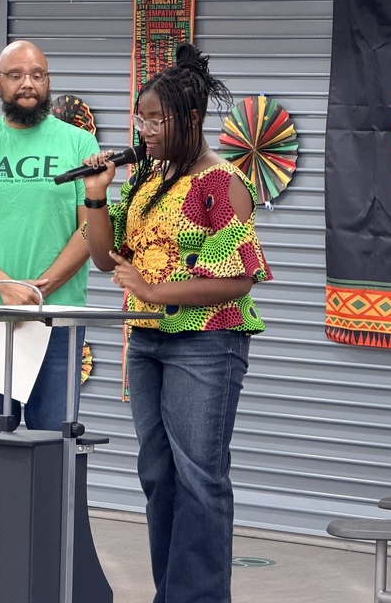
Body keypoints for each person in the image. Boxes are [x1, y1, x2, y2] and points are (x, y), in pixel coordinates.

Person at [81, 43, 271, 603]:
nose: (145, 130)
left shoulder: (223, 183)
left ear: (190, 119)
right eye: (139, 118)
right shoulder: (146, 178)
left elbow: (238, 277)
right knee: (158, 474)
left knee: (199, 478)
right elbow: (101, 256)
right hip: (147, 341)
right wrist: (96, 196)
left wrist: (154, 290)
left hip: (208, 343)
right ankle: (173, 593)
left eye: (156, 119)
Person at [0, 40, 99, 585]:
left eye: (38, 74)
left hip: (56, 320)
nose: (28, 83)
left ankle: (55, 553)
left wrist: (45, 286)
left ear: (48, 82)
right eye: (16, 75)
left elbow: (90, 225)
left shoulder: (79, 143)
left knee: (54, 437)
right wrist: (2, 286)